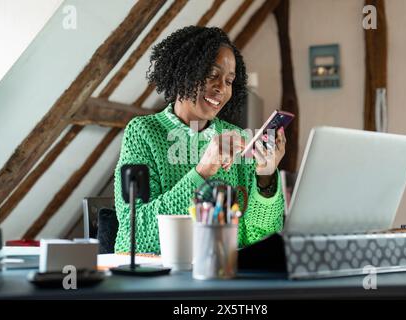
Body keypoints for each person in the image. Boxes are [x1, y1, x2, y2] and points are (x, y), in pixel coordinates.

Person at [114, 26, 286, 253]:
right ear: (183, 72)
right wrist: (202, 171)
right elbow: (137, 234)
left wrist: (265, 178)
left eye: (229, 81)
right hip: (163, 280)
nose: (221, 89)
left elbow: (259, 237)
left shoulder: (236, 139)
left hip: (222, 274)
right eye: (212, 75)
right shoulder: (143, 132)